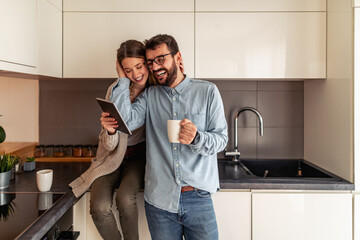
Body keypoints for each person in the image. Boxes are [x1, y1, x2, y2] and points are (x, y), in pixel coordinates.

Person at [110, 34, 228, 240]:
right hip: (159, 202)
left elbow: (221, 139)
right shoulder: (150, 95)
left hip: (198, 198)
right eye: (150, 63)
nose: (155, 67)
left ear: (178, 57)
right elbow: (124, 122)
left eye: (160, 59)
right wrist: (122, 78)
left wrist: (197, 138)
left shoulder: (207, 91)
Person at [70, 39, 155, 240]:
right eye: (127, 70)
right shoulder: (115, 89)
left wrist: (122, 79)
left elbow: (129, 121)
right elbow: (109, 144)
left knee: (126, 199)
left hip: (138, 159)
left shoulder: (153, 92)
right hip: (111, 157)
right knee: (98, 207)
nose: (135, 74)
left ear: (146, 63)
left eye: (139, 66)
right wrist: (109, 132)